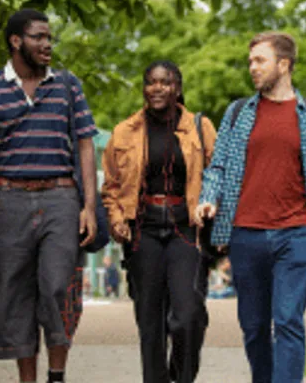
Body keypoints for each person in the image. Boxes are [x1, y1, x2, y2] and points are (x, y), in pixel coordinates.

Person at [195, 31, 306, 383]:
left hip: (296, 234)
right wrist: (208, 199)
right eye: (250, 61)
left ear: (284, 64)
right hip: (245, 234)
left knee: (289, 320)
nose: (252, 67)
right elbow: (217, 167)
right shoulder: (237, 114)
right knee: (254, 326)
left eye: (260, 60)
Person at [0, 8, 99, 383]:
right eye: (38, 37)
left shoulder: (68, 85)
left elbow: (86, 145)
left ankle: (57, 374)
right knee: (14, 295)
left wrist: (89, 205)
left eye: (49, 38)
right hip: (8, 201)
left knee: (57, 287)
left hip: (60, 198)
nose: (47, 45)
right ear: (16, 41)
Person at [102, 60, 217, 383]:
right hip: (143, 232)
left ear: (177, 88)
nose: (157, 88)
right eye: (151, 82)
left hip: (185, 230)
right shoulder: (124, 132)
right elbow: (110, 186)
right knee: (150, 323)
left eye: (165, 82)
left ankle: (182, 378)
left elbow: (218, 174)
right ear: (144, 88)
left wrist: (212, 206)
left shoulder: (199, 126)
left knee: (188, 316)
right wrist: (116, 218)